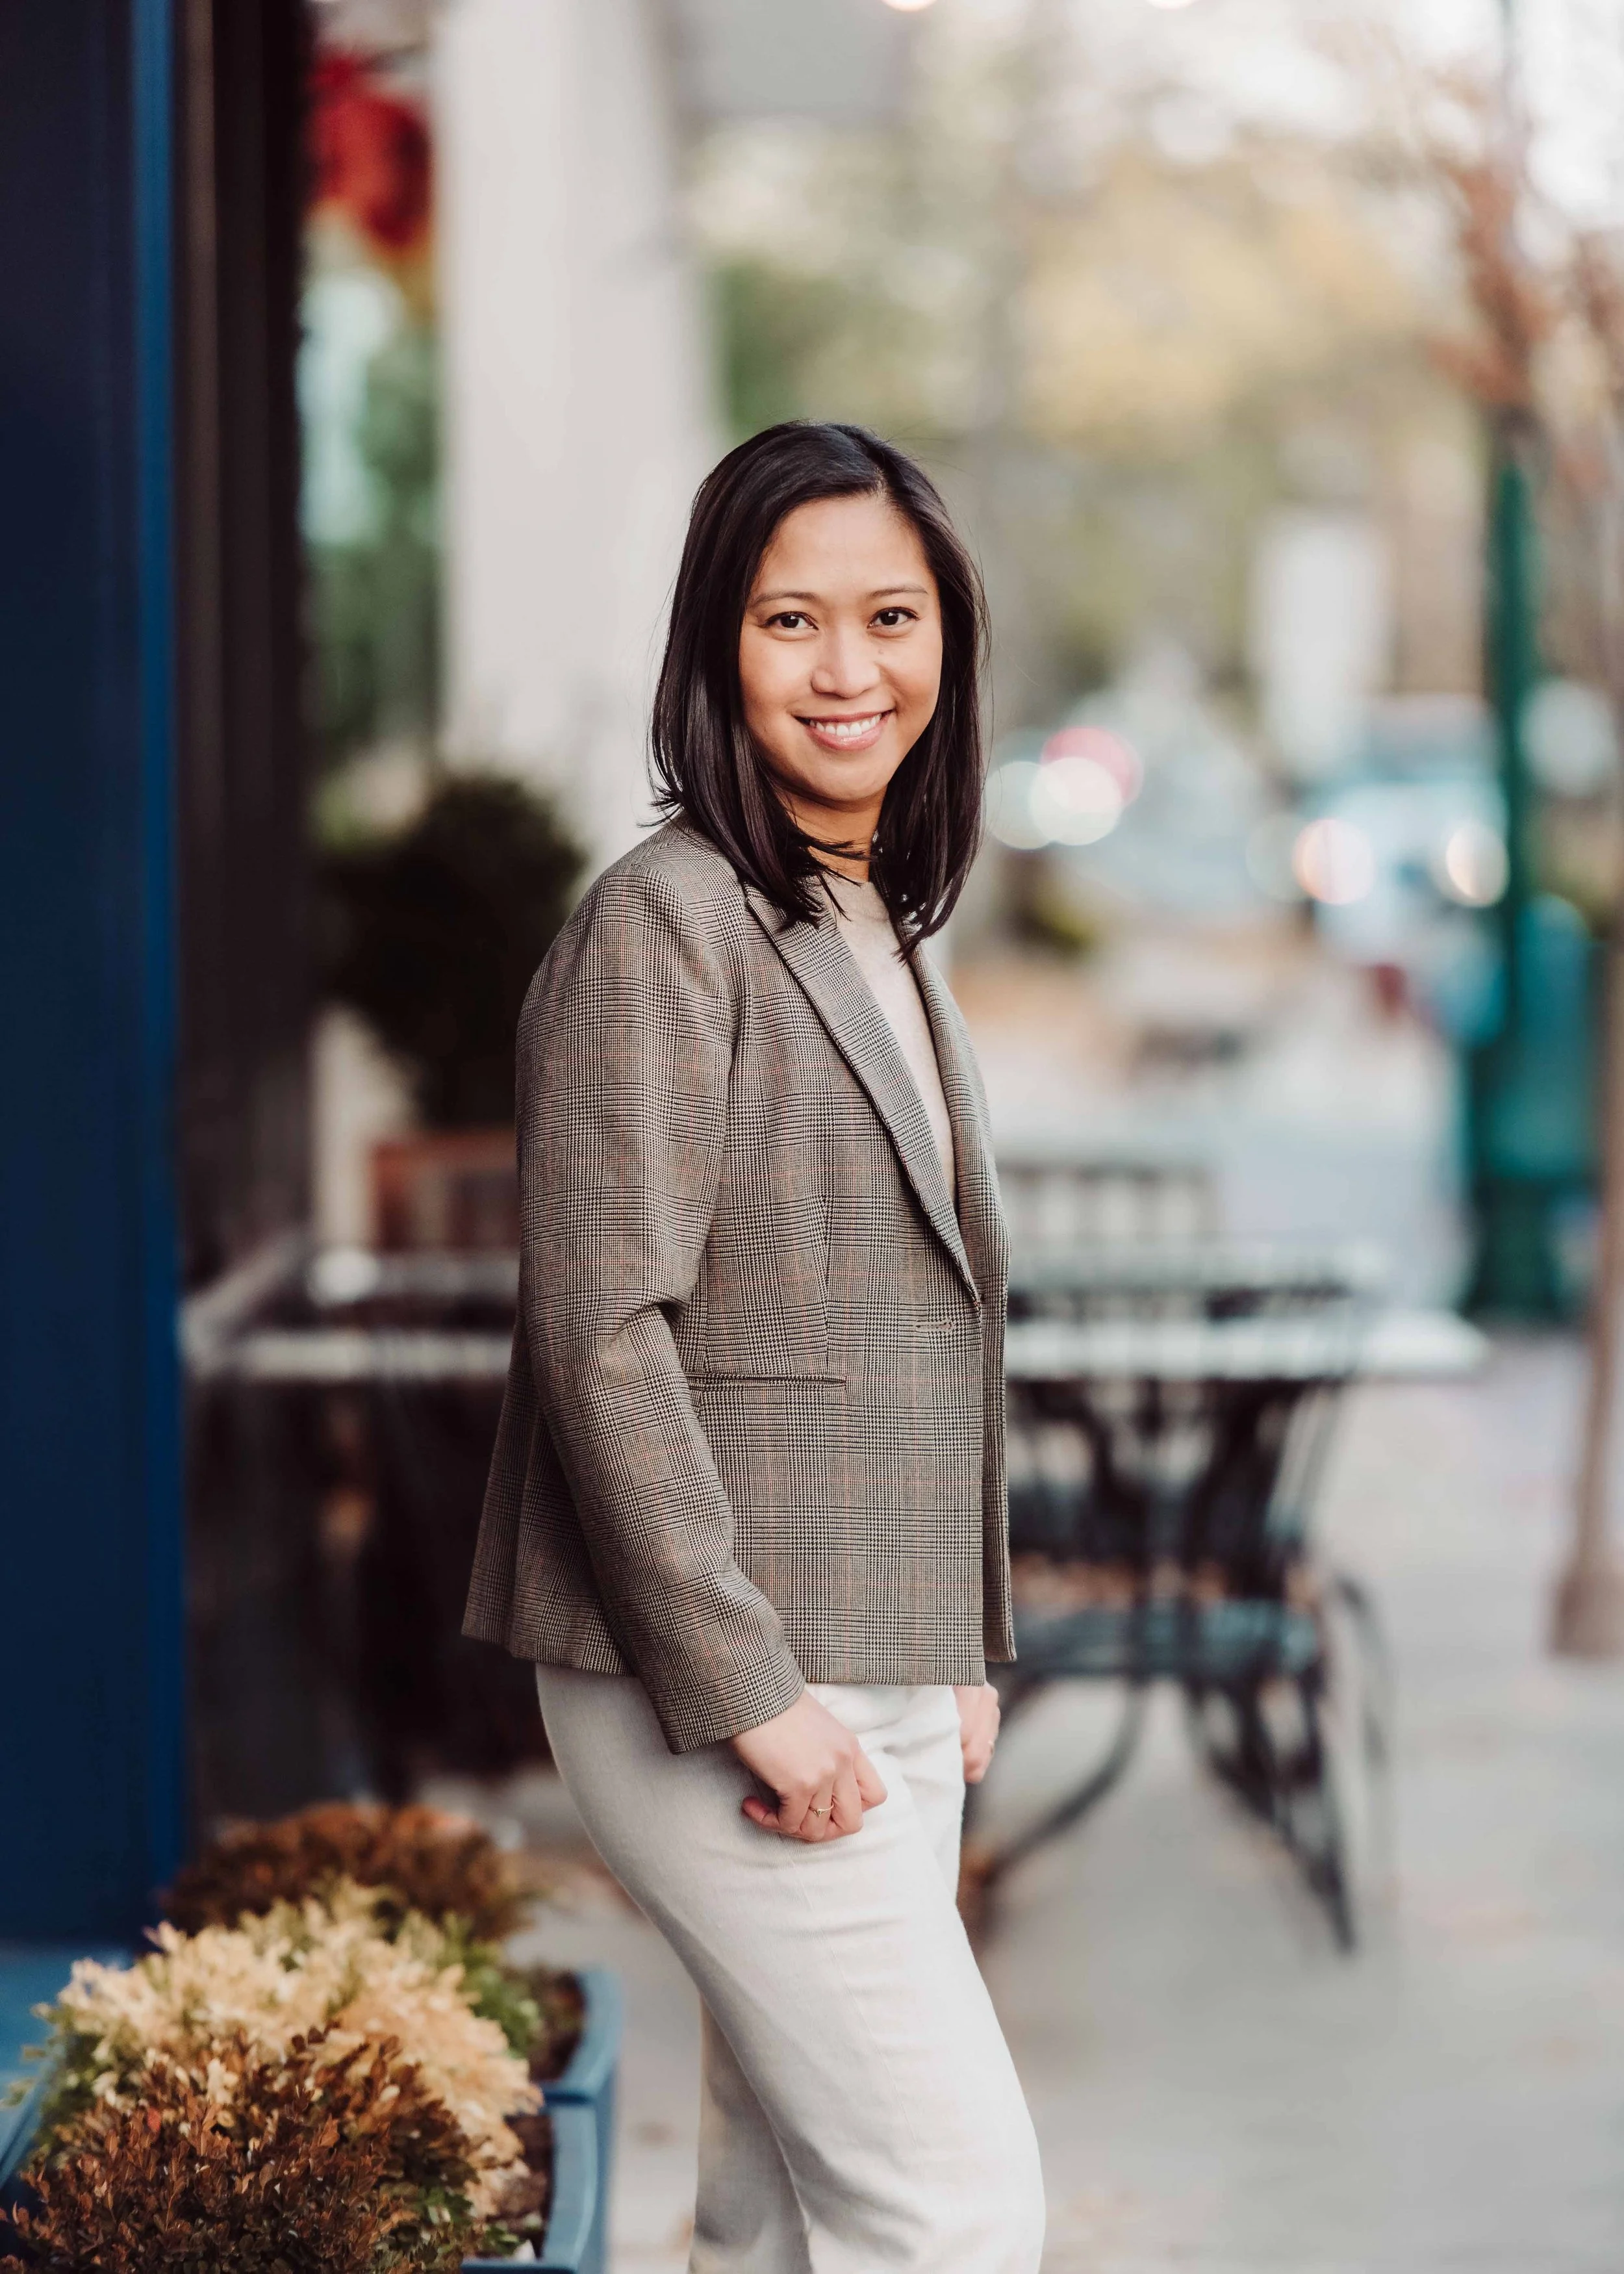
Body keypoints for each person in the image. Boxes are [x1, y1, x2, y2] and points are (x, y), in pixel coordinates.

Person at [465, 420, 1045, 2273]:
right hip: (718, 1680)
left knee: (785, 2213)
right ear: (714, 645)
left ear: (947, 638)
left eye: (888, 615)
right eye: (790, 620)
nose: (846, 668)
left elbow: (926, 1315)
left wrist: (958, 1636)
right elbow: (595, 1328)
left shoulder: (867, 903)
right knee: (950, 2212)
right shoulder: (668, 923)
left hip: (873, 1657)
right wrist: (749, 1694)